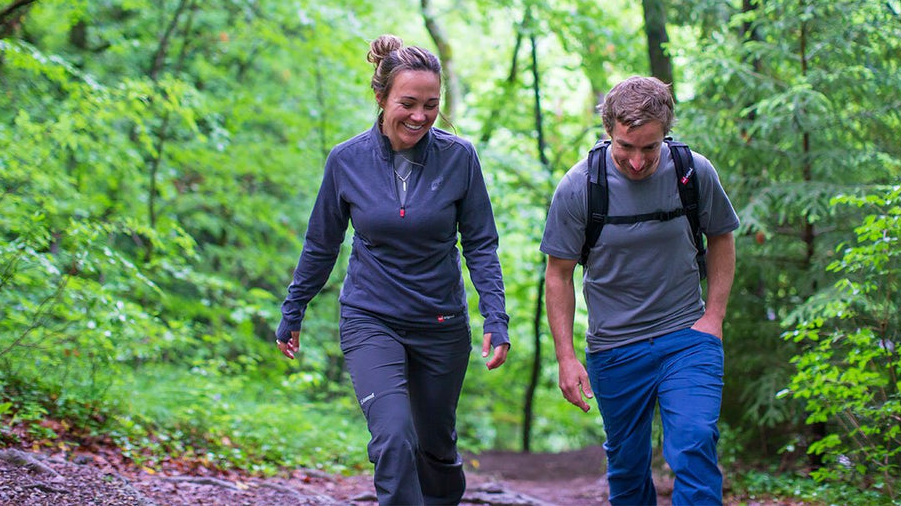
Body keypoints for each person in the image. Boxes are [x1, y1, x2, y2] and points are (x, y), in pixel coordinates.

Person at [276, 34, 510, 506]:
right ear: (381, 98)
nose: (420, 116)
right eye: (408, 102)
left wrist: (496, 315)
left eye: (430, 104)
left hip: (440, 323)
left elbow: (480, 243)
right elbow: (322, 243)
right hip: (371, 318)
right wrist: (294, 307)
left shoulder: (459, 158)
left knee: (435, 447)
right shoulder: (347, 161)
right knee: (393, 439)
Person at [540, 76, 738, 506]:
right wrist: (566, 357)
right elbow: (558, 274)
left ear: (666, 131)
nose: (636, 161)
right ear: (609, 130)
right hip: (614, 349)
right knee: (628, 470)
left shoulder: (693, 172)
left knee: (694, 442)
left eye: (649, 148)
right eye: (625, 147)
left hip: (688, 337)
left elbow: (722, 237)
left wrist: (714, 317)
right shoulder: (579, 187)